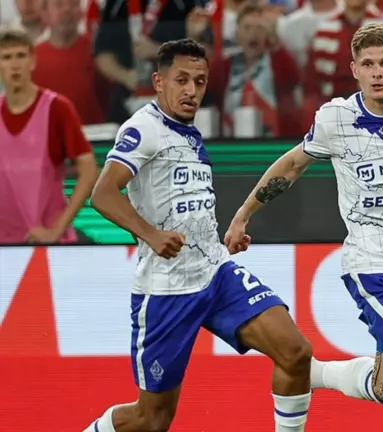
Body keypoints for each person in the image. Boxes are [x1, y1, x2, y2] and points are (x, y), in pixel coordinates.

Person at [226, 22, 383, 432]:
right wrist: (243, 213)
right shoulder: (337, 119)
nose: (377, 72)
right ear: (354, 70)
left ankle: (311, 373)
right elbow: (293, 164)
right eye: (368, 64)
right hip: (373, 265)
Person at [83, 39, 313, 432]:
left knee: (296, 353)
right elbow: (102, 195)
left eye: (200, 81)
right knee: (152, 419)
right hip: (167, 289)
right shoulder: (144, 128)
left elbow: (186, 202)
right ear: (158, 82)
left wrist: (220, 237)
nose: (191, 90)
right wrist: (151, 235)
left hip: (215, 273)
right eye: (182, 80)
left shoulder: (189, 133)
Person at [0, 26, 98, 245]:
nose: (15, 64)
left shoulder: (56, 108)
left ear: (32, 61)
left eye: (20, 55)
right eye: (6, 57)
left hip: (49, 247)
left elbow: (89, 170)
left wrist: (57, 229)